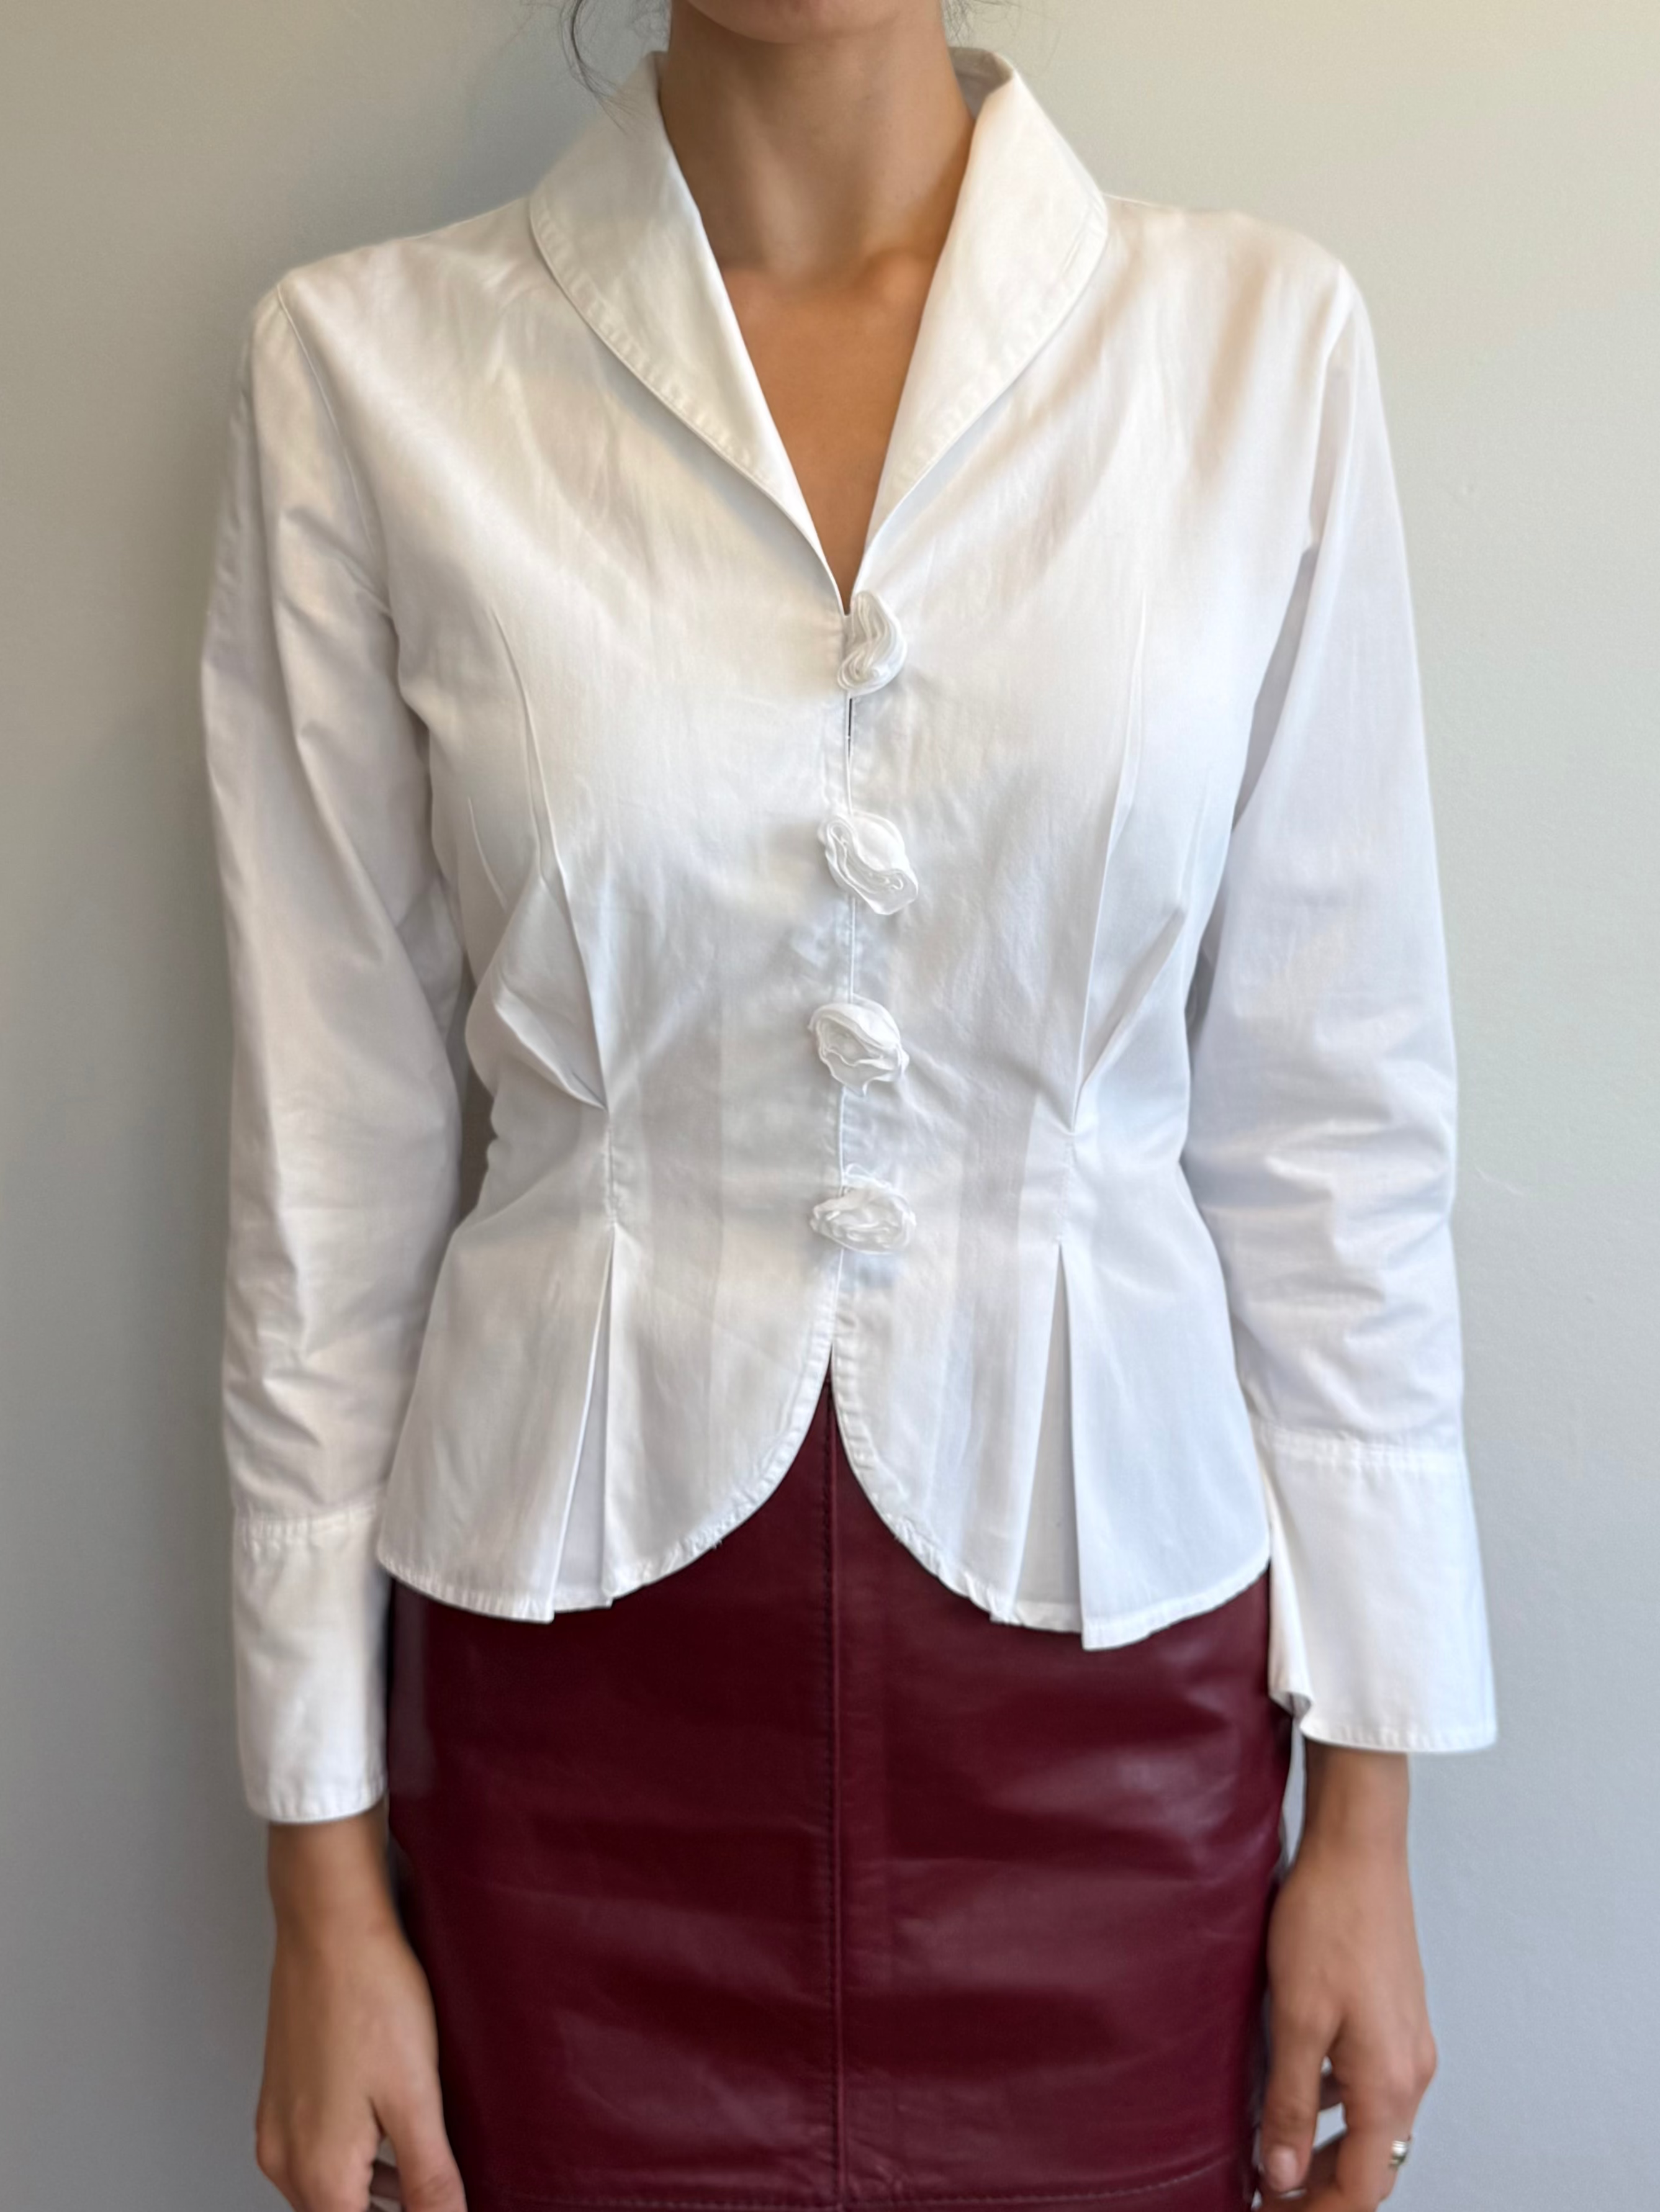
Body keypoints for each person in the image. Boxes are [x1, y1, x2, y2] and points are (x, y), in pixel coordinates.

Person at [197, 5, 1498, 2211]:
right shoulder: (368, 371)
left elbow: (1329, 1126)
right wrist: (320, 1896)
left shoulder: (1258, 348)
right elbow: (326, 1189)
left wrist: (1365, 1822)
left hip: (1118, 1705)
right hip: (571, 1718)